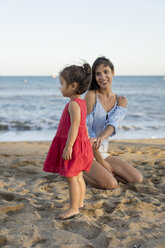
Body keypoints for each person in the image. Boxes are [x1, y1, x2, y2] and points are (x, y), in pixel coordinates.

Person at [83, 56, 143, 189]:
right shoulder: (91, 96)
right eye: (98, 74)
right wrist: (99, 160)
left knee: (137, 179)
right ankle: (76, 170)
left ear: (113, 73)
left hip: (103, 151)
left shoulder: (121, 101)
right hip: (85, 151)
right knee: (111, 184)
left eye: (106, 72)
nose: (102, 77)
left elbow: (112, 124)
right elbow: (85, 131)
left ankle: (99, 172)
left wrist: (101, 138)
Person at [43, 63, 93, 220]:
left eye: (62, 84)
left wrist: (69, 146)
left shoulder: (73, 104)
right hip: (82, 143)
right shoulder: (81, 103)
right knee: (78, 176)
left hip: (75, 145)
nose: (60, 87)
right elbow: (81, 127)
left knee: (71, 177)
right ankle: (79, 202)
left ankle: (73, 208)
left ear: (73, 86)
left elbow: (75, 126)